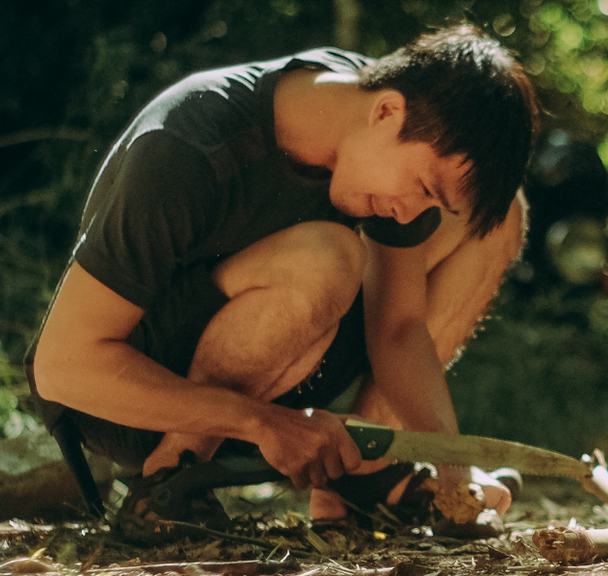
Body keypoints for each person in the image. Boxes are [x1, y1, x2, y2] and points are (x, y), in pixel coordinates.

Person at [29, 24, 537, 529]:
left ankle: (366, 479)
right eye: (423, 186)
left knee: (498, 220)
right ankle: (174, 477)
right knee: (329, 257)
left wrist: (451, 464)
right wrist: (261, 423)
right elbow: (62, 366)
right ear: (386, 112)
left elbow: (399, 331)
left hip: (281, 369)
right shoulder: (186, 144)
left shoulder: (372, 115)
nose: (411, 217)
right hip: (128, 399)